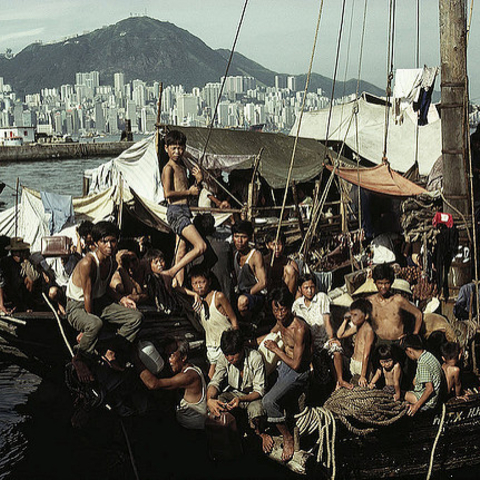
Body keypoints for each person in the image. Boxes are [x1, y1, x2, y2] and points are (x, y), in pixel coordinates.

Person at [66, 221, 143, 383]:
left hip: (99, 301)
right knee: (95, 324)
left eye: (113, 241)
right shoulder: (88, 262)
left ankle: (110, 350)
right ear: (95, 243)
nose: (109, 245)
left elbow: (104, 287)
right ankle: (79, 357)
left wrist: (121, 298)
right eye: (104, 241)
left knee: (136, 318)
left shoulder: (111, 262)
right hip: (77, 305)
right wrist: (87, 325)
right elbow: (87, 296)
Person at [261, 287, 312, 462]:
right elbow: (272, 333)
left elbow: (297, 365)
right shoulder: (280, 321)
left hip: (298, 373)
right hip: (284, 367)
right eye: (276, 310)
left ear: (290, 308)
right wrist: (249, 342)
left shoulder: (299, 329)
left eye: (283, 309)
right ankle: (262, 433)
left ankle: (287, 437)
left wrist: (275, 349)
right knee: (260, 387)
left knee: (268, 401)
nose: (280, 314)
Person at [160, 129, 206, 285]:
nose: (177, 151)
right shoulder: (169, 168)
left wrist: (198, 180)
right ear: (166, 148)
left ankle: (178, 286)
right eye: (173, 148)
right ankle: (171, 272)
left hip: (183, 211)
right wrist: (190, 191)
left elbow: (189, 192)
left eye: (180, 148)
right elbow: (168, 193)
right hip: (176, 212)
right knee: (200, 246)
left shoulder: (182, 167)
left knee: (181, 251)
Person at [292, 274, 351, 391]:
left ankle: (340, 380)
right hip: (309, 344)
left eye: (312, 287)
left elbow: (326, 320)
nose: (310, 290)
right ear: (300, 289)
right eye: (306, 288)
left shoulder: (321, 297)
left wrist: (331, 338)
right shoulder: (297, 305)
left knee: (336, 348)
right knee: (319, 377)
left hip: (324, 339)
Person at [206, 329, 266, 439]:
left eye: (233, 354)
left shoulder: (255, 357)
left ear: (242, 349)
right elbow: (215, 382)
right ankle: (230, 435)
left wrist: (242, 399)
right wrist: (209, 399)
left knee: (256, 411)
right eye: (226, 355)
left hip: (253, 396)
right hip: (235, 394)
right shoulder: (223, 359)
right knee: (218, 401)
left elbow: (259, 391)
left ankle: (260, 435)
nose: (230, 358)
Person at [135, 339, 207, 430]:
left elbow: (153, 384)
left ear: (183, 357)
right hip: (184, 425)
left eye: (171, 356)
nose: (168, 361)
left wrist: (136, 360)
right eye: (166, 356)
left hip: (193, 429)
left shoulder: (188, 376)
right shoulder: (185, 369)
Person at [189, 265, 239, 379]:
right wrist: (194, 295)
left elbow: (233, 319)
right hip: (211, 345)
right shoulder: (198, 301)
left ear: (209, 281)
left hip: (225, 343)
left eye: (202, 282)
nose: (199, 286)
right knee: (212, 377)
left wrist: (235, 340)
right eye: (195, 283)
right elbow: (176, 286)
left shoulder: (218, 297)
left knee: (222, 376)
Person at [368, 263, 422, 345]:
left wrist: (414, 335)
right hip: (378, 342)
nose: (383, 287)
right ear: (375, 282)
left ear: (392, 282)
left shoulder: (398, 300)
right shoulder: (370, 301)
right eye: (380, 283)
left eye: (386, 283)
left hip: (397, 342)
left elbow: (418, 314)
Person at [337, 298, 375, 388]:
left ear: (366, 316)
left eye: (355, 315)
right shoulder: (357, 327)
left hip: (362, 365)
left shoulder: (369, 330)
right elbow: (340, 335)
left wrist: (363, 375)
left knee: (362, 391)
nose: (353, 318)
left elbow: (366, 355)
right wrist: (345, 320)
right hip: (354, 362)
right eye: (352, 315)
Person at [232, 220, 267, 319]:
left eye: (243, 237)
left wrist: (249, 293)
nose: (239, 240)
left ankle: (252, 321)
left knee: (242, 302)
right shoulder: (235, 254)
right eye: (237, 236)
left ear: (249, 238)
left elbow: (263, 282)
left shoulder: (255, 255)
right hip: (241, 292)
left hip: (256, 294)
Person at [403, 334, 442, 416]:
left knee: (400, 394)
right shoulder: (428, 355)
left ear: (409, 350)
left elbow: (429, 389)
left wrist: (416, 406)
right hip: (434, 397)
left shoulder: (423, 363)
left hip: (429, 402)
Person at [0, 237, 41, 313]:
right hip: (8, 292)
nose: (18, 254)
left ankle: (25, 305)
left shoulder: (25, 263)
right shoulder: (5, 262)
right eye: (16, 252)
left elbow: (34, 277)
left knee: (29, 281)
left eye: (20, 251)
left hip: (21, 293)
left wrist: (26, 261)